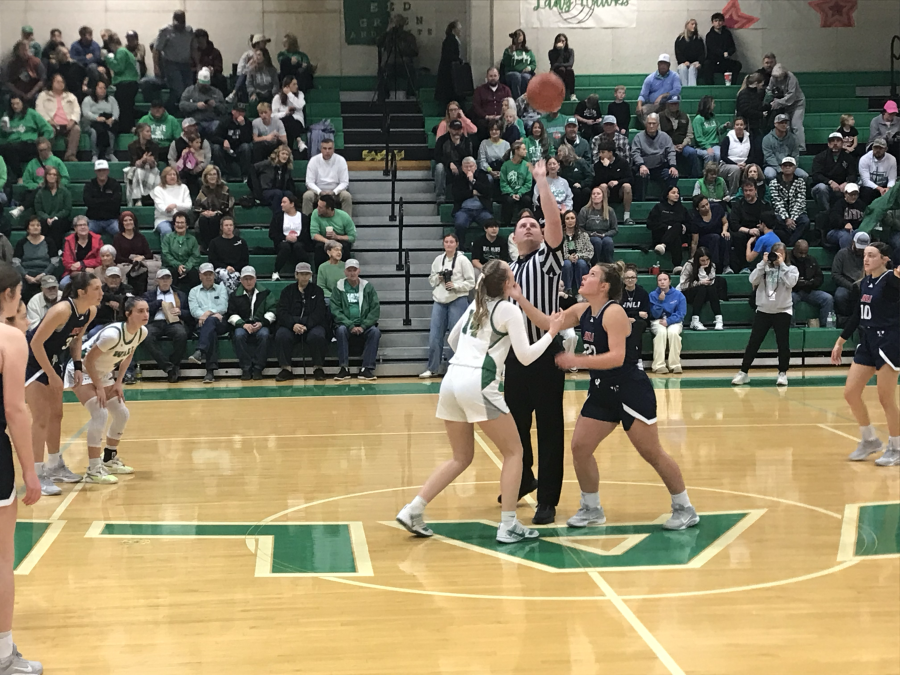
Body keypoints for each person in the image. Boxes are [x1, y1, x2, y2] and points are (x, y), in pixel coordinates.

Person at [513, 262, 700, 530]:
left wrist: (576, 360)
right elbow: (547, 323)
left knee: (652, 452)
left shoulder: (614, 313)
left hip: (629, 389)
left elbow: (617, 357)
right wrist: (521, 300)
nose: (585, 277)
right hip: (602, 390)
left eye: (591, 275)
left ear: (604, 286)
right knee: (580, 447)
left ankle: (684, 508)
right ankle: (591, 508)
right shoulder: (582, 310)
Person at [400, 256, 565, 543]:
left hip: (451, 380)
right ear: (507, 284)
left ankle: (413, 509)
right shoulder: (508, 311)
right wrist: (551, 331)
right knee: (515, 452)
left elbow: (452, 340)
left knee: (460, 457)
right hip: (479, 382)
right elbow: (526, 357)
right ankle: (509, 524)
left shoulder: (475, 305)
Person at [500, 161, 565, 524]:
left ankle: (548, 499)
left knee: (550, 429)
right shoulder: (510, 270)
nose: (529, 226)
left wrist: (542, 182)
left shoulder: (546, 259)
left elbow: (554, 224)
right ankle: (522, 477)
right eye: (522, 224)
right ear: (513, 237)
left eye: (533, 224)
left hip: (545, 356)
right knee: (515, 426)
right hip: (515, 357)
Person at [0, 262, 43, 674]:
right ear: (12, 295)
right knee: (1, 558)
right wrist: (31, 470)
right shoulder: (10, 337)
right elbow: (15, 409)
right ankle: (3, 656)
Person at [26, 270, 101, 495]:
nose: (101, 292)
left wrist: (78, 366)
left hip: (53, 360)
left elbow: (76, 340)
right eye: (96, 288)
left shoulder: (90, 311)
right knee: (41, 418)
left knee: (56, 415)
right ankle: (36, 475)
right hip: (31, 361)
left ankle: (55, 465)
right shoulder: (61, 310)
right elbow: (35, 344)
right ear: (81, 291)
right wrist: (50, 374)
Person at [64, 295, 147, 481]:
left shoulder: (142, 332)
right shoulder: (113, 335)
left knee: (121, 413)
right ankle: (93, 469)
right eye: (140, 311)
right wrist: (99, 387)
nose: (146, 314)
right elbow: (88, 360)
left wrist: (118, 382)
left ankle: (109, 458)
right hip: (81, 370)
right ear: (128, 314)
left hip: (102, 372)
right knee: (100, 413)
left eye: (147, 311)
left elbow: (128, 353)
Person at [831, 243, 900, 465]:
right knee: (850, 393)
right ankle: (870, 440)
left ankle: (896, 447)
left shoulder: (891, 280)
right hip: (868, 340)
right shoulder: (865, 282)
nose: (866, 259)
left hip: (889, 342)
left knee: (885, 398)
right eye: (865, 255)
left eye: (872, 255)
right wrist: (840, 341)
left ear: (884, 259)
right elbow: (857, 316)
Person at [731, 242, 798, 387]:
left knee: (783, 344)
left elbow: (791, 283)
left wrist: (782, 266)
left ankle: (782, 373)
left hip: (782, 310)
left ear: (785, 255)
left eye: (781, 254)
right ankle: (743, 372)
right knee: (753, 342)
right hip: (763, 310)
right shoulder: (764, 267)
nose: (778, 257)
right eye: (776, 253)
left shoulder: (791, 269)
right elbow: (752, 280)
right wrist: (762, 263)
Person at [420, 234, 476, 378]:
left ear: (457, 244)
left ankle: (455, 368)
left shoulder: (463, 260)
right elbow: (431, 280)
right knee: (434, 336)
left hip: (457, 299)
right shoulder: (438, 260)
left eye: (452, 242)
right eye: (446, 242)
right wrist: (438, 277)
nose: (449, 244)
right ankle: (433, 368)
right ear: (443, 244)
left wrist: (456, 285)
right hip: (439, 299)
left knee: (455, 336)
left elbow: (471, 283)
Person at [274, 262, 329, 382]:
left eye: (307, 274)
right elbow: (282, 311)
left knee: (318, 335)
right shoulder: (287, 291)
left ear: (311, 276)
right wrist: (293, 324)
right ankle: (286, 368)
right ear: (296, 275)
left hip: (312, 325)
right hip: (291, 325)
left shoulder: (318, 291)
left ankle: (318, 367)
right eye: (301, 274)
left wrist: (307, 325)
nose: (304, 277)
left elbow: (320, 312)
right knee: (281, 335)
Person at [328, 259, 380, 381]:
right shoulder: (339, 287)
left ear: (359, 271)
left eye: (354, 270)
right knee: (340, 331)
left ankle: (366, 369)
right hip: (345, 324)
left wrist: (364, 325)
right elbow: (335, 309)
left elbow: (375, 309)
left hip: (364, 325)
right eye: (349, 270)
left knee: (375, 332)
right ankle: (344, 368)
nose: (352, 273)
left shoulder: (367, 287)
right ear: (345, 272)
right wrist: (350, 325)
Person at [141, 268, 189, 382]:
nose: (165, 281)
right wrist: (158, 303)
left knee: (181, 334)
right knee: (146, 335)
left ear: (171, 280)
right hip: (155, 322)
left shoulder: (180, 294)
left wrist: (181, 312)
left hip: (173, 322)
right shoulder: (148, 295)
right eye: (162, 279)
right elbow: (144, 310)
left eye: (167, 278)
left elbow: (189, 313)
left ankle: (173, 364)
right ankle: (169, 368)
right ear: (157, 281)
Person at [228, 266, 275, 380]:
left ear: (255, 279)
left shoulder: (266, 293)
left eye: (251, 278)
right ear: (241, 280)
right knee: (239, 335)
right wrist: (243, 324)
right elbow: (231, 314)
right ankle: (246, 368)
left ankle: (258, 368)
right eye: (245, 279)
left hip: (261, 324)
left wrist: (262, 323)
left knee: (264, 335)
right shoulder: (234, 295)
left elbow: (272, 310)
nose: (248, 281)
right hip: (243, 325)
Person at [0, 95, 52, 185]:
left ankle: (19, 176)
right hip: (12, 145)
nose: (15, 106)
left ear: (22, 103)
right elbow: (3, 136)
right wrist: (3, 128)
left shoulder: (31, 113)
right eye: (12, 104)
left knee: (9, 149)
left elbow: (48, 129)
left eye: (17, 103)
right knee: (7, 149)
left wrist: (43, 142)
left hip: (29, 144)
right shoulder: (7, 116)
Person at [153, 10, 195, 111]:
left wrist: (196, 63)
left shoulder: (189, 30)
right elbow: (156, 50)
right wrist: (156, 66)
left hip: (185, 64)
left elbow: (192, 48)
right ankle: (167, 110)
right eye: (178, 21)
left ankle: (178, 110)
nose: (180, 24)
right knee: (178, 89)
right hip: (171, 64)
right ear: (173, 20)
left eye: (182, 21)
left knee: (189, 90)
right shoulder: (165, 31)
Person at [729, 180, 775, 272]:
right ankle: (743, 267)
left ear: (755, 190)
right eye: (746, 191)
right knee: (738, 237)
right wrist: (749, 231)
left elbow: (770, 221)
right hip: (744, 232)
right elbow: (734, 224)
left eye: (750, 190)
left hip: (760, 231)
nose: (748, 193)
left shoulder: (764, 204)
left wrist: (760, 229)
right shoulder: (738, 204)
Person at [631, 113, 678, 201]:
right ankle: (640, 203)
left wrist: (673, 166)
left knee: (672, 175)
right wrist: (641, 165)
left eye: (654, 123)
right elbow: (635, 153)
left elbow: (671, 151)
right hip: (644, 167)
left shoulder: (665, 137)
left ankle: (667, 201)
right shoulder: (638, 137)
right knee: (640, 176)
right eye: (649, 123)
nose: (651, 126)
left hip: (660, 167)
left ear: (658, 125)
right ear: (646, 124)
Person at [35, 73, 81, 162]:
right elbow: (39, 110)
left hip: (67, 123)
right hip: (51, 123)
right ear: (52, 83)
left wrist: (73, 120)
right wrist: (48, 121)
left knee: (76, 129)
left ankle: (70, 155)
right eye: (57, 81)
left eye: (62, 82)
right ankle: (47, 155)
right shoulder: (43, 95)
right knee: (49, 130)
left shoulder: (71, 96)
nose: (60, 84)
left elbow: (77, 110)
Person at [677, 246, 724, 331]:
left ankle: (719, 319)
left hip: (704, 292)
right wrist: (699, 282)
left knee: (711, 288)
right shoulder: (689, 265)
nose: (705, 262)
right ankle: (694, 320)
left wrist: (703, 271)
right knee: (702, 288)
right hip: (687, 292)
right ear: (697, 259)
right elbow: (683, 285)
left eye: (707, 260)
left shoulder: (712, 265)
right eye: (702, 260)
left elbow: (711, 282)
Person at [302, 138, 351, 216]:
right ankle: (306, 224)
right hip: (317, 192)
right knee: (307, 196)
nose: (327, 151)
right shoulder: (314, 160)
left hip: (336, 192)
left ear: (333, 149)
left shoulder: (341, 160)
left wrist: (334, 192)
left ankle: (347, 224)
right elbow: (309, 182)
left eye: (330, 148)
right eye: (325, 148)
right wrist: (320, 192)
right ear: (321, 149)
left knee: (347, 196)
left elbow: (344, 182)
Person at [450, 157, 493, 247]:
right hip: (464, 209)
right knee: (460, 223)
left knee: (491, 224)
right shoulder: (458, 178)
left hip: (482, 209)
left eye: (471, 166)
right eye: (466, 167)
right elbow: (457, 195)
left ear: (475, 166)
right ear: (462, 167)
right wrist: (472, 193)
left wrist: (473, 181)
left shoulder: (482, 176)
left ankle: (487, 247)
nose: (469, 169)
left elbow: (488, 192)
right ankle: (461, 247)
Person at [648, 272, 686, 374]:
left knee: (673, 333)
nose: (662, 282)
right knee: (661, 333)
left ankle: (675, 365)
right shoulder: (652, 295)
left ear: (670, 281)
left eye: (665, 280)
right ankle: (658, 365)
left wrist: (668, 321)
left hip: (674, 321)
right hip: (658, 321)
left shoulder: (679, 295)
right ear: (657, 282)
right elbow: (654, 314)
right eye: (660, 280)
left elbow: (681, 313)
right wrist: (660, 302)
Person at [790, 240, 833, 327]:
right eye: (800, 253)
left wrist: (809, 283)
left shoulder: (811, 260)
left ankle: (826, 326)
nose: (803, 255)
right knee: (788, 299)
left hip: (809, 290)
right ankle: (790, 327)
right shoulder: (788, 259)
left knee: (828, 299)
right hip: (793, 291)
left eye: (805, 253)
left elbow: (819, 278)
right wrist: (798, 283)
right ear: (794, 250)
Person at [103, 32, 139, 133]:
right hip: (132, 82)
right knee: (128, 107)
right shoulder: (127, 51)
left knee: (124, 108)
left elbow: (118, 67)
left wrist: (108, 58)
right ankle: (130, 127)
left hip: (125, 83)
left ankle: (126, 128)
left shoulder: (121, 52)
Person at [310, 193, 356, 272]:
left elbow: (352, 237)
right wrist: (328, 241)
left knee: (344, 246)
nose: (317, 209)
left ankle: (344, 272)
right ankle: (319, 273)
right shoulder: (315, 213)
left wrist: (337, 237)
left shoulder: (344, 216)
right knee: (319, 247)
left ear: (329, 209)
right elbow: (314, 234)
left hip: (339, 240)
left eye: (320, 207)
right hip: (324, 240)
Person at [647, 186, 690, 269]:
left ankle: (664, 245)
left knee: (677, 228)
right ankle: (677, 265)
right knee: (675, 233)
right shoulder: (658, 207)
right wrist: (667, 227)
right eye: (673, 193)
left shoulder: (682, 209)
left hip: (678, 235)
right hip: (661, 235)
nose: (676, 195)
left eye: (678, 193)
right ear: (667, 195)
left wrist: (684, 227)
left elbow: (690, 224)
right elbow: (650, 224)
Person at [14, 219, 57, 302]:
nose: (36, 227)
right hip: (26, 274)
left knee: (50, 288)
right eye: (32, 225)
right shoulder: (21, 243)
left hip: (45, 273)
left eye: (38, 225)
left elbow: (55, 262)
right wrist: (26, 276)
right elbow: (15, 262)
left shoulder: (49, 242)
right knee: (19, 288)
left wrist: (43, 274)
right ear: (27, 228)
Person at [179, 67, 228, 140]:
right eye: (202, 85)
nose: (204, 87)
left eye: (206, 85)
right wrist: (196, 105)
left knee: (218, 126)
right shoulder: (190, 91)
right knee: (191, 128)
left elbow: (224, 109)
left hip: (212, 121)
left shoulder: (217, 92)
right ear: (197, 81)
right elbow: (182, 105)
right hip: (196, 121)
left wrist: (215, 105)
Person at [769, 156, 809, 246]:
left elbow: (800, 201)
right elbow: (776, 202)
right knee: (776, 221)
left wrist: (792, 218)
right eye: (785, 165)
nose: (787, 167)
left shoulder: (800, 181)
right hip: (781, 214)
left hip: (797, 214)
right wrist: (787, 218)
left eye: (790, 165)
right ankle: (791, 243)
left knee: (805, 221)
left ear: (794, 168)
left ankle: (790, 244)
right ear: (781, 167)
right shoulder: (774, 182)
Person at [193, 165, 234, 251]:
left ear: (218, 176)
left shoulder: (224, 188)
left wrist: (215, 212)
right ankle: (207, 246)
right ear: (206, 177)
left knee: (214, 219)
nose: (212, 176)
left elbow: (227, 206)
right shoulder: (203, 190)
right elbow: (197, 206)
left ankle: (214, 246)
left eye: (214, 174)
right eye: (210, 174)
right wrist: (203, 212)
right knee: (203, 220)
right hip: (206, 215)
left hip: (222, 214)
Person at [766, 64, 806, 153]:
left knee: (796, 125)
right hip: (784, 104)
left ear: (784, 74)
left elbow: (791, 96)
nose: (778, 79)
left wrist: (777, 102)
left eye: (779, 77)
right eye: (776, 77)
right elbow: (769, 89)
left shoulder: (792, 78)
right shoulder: (774, 77)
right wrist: (769, 100)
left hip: (797, 103)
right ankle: (788, 147)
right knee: (785, 126)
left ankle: (801, 148)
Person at [592, 141, 634, 224]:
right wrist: (606, 168)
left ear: (610, 153)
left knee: (627, 186)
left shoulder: (622, 163)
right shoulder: (598, 165)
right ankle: (605, 215)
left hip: (619, 191)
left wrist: (617, 182)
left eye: (603, 152)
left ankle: (626, 216)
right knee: (603, 186)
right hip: (606, 192)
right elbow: (597, 182)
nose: (600, 155)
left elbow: (630, 178)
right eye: (600, 152)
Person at [112, 211, 153, 295]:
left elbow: (149, 254)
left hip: (140, 266)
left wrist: (142, 257)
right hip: (125, 266)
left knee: (143, 274)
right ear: (122, 223)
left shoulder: (140, 237)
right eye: (125, 220)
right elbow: (117, 257)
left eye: (130, 220)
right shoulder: (117, 238)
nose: (128, 222)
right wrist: (131, 261)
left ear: (134, 222)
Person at [660, 96, 701, 179]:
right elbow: (659, 135)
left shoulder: (685, 116)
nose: (674, 106)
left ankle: (695, 178)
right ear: (667, 104)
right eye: (672, 104)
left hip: (682, 146)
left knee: (692, 152)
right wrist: (671, 146)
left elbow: (690, 135)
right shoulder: (660, 116)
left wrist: (683, 145)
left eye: (676, 104)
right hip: (666, 146)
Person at [434, 120, 474, 204]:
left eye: (459, 129)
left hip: (462, 166)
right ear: (449, 129)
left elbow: (469, 157)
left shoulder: (466, 141)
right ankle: (440, 196)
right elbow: (437, 156)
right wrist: (449, 163)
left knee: (470, 166)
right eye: (454, 129)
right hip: (447, 167)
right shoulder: (442, 140)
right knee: (439, 167)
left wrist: (458, 145)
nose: (457, 131)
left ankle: (471, 195)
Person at [270, 194, 309, 280]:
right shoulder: (278, 217)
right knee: (285, 247)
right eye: (281, 202)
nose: (281, 204)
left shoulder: (303, 218)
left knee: (298, 246)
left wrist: (297, 239)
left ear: (292, 204)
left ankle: (305, 272)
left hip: (299, 242)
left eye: (284, 202)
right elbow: (272, 233)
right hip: (283, 242)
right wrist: (285, 237)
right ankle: (276, 271)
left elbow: (307, 234)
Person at [689, 194, 730, 274]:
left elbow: (725, 222)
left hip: (719, 234)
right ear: (697, 208)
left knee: (726, 237)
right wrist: (692, 259)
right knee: (714, 238)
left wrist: (724, 231)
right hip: (704, 239)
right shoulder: (695, 219)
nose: (707, 207)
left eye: (707, 204)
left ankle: (726, 266)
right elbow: (695, 241)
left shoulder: (717, 208)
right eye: (703, 206)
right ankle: (713, 266)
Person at [161, 211, 201, 292]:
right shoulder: (167, 238)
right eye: (177, 222)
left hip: (188, 268)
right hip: (171, 266)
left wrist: (186, 267)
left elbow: (195, 256)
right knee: (170, 274)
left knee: (194, 275)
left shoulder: (192, 239)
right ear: (174, 224)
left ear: (187, 225)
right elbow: (165, 254)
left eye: (182, 222)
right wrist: (177, 265)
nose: (179, 225)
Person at [255, 144, 296, 225]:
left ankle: (290, 219)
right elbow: (253, 169)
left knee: (288, 194)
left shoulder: (286, 168)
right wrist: (256, 189)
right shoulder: (267, 164)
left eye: (287, 154)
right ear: (278, 154)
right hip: (266, 190)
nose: (285, 156)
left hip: (280, 190)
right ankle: (278, 219)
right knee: (278, 193)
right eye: (283, 153)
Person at [213, 102, 254, 181]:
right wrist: (223, 141)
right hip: (226, 149)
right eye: (238, 111)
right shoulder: (225, 121)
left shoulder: (247, 123)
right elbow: (214, 137)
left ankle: (245, 175)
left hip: (239, 148)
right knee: (216, 148)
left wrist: (243, 126)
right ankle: (223, 174)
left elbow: (248, 139)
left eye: (242, 112)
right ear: (233, 112)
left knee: (246, 147)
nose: (240, 114)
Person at [832, 231, 868, 321]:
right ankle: (846, 318)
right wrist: (851, 286)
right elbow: (836, 274)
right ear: (853, 243)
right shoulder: (842, 254)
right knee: (840, 295)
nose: (861, 251)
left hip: (865, 282)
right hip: (847, 283)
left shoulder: (869, 256)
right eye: (859, 248)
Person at [207, 215, 249, 293]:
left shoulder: (241, 242)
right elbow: (212, 260)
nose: (229, 227)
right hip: (220, 270)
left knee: (236, 275)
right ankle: (232, 298)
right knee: (225, 275)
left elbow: (245, 260)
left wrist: (234, 268)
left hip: (237, 270)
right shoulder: (214, 242)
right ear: (221, 227)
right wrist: (226, 267)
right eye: (226, 225)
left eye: (231, 225)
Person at [33, 166, 72, 250]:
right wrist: (47, 218)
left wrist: (55, 217)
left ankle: (57, 250)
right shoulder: (40, 192)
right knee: (43, 224)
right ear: (46, 176)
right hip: (45, 219)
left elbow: (67, 209)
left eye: (54, 174)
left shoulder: (64, 192)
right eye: (50, 174)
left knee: (56, 224)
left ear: (57, 177)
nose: (52, 176)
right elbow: (38, 210)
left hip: (61, 219)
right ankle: (44, 249)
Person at [577, 186, 618, 264]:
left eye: (598, 194)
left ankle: (609, 265)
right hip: (590, 236)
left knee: (608, 242)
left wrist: (604, 234)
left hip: (605, 235)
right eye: (593, 194)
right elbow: (580, 228)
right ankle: (594, 264)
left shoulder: (610, 210)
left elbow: (614, 229)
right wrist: (590, 234)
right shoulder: (584, 210)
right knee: (597, 241)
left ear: (603, 196)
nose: (595, 195)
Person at [125, 122, 161, 207]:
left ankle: (156, 198)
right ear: (141, 132)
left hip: (150, 168)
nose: (149, 134)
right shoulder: (132, 146)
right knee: (139, 172)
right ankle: (138, 199)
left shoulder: (154, 145)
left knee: (156, 171)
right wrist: (143, 160)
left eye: (150, 132)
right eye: (147, 131)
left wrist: (151, 161)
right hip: (136, 168)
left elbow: (155, 163)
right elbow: (134, 163)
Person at [620, 264, 650, 364]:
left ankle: (636, 360)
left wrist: (633, 315)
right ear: (623, 280)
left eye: (632, 277)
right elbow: (617, 311)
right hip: (623, 320)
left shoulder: (642, 293)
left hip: (639, 322)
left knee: (637, 326)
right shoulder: (619, 293)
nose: (630, 280)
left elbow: (645, 313)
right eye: (627, 278)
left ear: (636, 279)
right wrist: (633, 315)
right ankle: (631, 359)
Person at [83, 158, 122, 237]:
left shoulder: (115, 184)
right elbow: (88, 202)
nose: (102, 173)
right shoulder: (89, 185)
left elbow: (116, 204)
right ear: (95, 172)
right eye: (99, 170)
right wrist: (107, 201)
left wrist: (97, 201)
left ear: (108, 171)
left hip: (112, 220)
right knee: (83, 233)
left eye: (104, 170)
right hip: (94, 220)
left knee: (121, 233)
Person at [636, 54, 681, 121]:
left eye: (665, 64)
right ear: (658, 64)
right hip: (653, 105)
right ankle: (651, 128)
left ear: (669, 65)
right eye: (661, 63)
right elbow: (643, 95)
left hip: (668, 104)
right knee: (642, 110)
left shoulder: (674, 76)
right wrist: (639, 105)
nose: (663, 66)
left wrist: (662, 95)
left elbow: (677, 90)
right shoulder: (650, 78)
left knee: (673, 106)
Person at [719, 116, 757, 194]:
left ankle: (753, 193)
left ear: (745, 126)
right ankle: (733, 194)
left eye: (741, 124)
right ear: (734, 126)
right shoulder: (728, 138)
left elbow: (752, 155)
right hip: (727, 164)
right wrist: (736, 164)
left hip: (745, 163)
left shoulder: (749, 137)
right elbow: (723, 156)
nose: (739, 126)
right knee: (736, 169)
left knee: (753, 169)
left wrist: (745, 164)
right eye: (737, 124)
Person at [701, 12, 741, 85]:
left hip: (724, 61)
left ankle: (732, 84)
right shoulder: (709, 35)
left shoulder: (727, 34)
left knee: (737, 65)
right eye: (716, 21)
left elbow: (732, 47)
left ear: (723, 22)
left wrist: (728, 53)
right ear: (712, 23)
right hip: (713, 61)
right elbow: (712, 48)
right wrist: (723, 53)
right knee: (706, 65)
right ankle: (710, 87)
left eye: (720, 21)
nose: (718, 23)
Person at [151, 166, 192, 238]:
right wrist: (171, 210)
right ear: (164, 177)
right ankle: (166, 249)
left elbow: (188, 205)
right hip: (163, 219)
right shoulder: (158, 189)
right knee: (166, 230)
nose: (172, 176)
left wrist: (175, 206)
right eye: (169, 175)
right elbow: (161, 208)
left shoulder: (183, 187)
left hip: (181, 219)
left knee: (182, 229)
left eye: (174, 174)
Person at [61, 216, 102, 286]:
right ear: (75, 228)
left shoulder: (97, 240)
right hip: (75, 273)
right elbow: (67, 262)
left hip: (93, 271)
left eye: (85, 225)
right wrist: (83, 269)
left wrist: (82, 263)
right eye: (80, 225)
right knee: (63, 284)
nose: (83, 227)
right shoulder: (69, 241)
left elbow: (100, 259)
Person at [762, 114, 805, 180]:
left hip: (789, 165)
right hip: (772, 166)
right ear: (775, 124)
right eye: (781, 123)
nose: (784, 125)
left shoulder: (793, 138)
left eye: (785, 123)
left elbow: (795, 155)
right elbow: (769, 156)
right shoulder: (767, 139)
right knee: (770, 174)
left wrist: (792, 168)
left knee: (804, 175)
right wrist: (779, 169)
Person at [499, 140, 532, 225]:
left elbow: (528, 183)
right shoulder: (506, 165)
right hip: (509, 192)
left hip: (522, 192)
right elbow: (503, 182)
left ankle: (525, 222)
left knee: (526, 200)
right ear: (516, 151)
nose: (526, 151)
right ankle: (506, 223)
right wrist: (511, 193)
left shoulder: (527, 165)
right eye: (524, 149)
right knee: (508, 200)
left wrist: (519, 193)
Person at [4, 41, 46, 107]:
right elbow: (8, 82)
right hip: (18, 92)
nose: (25, 52)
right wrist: (19, 93)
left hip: (33, 92)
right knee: (8, 99)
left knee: (37, 98)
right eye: (22, 50)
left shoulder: (36, 62)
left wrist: (31, 93)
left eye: (26, 50)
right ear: (18, 51)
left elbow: (42, 79)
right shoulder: (12, 64)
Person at [272, 76, 307, 155]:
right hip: (282, 122)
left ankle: (287, 153)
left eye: (296, 84)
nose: (296, 86)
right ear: (287, 86)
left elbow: (300, 105)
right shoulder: (278, 97)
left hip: (298, 122)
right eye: (294, 84)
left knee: (289, 122)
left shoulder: (300, 94)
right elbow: (273, 115)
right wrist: (285, 113)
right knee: (287, 119)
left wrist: (289, 94)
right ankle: (299, 141)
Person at [560, 210, 592, 296]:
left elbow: (590, 252)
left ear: (576, 220)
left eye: (572, 218)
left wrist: (578, 256)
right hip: (565, 261)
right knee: (566, 264)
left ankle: (581, 291)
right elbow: (556, 252)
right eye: (567, 218)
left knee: (581, 263)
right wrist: (568, 257)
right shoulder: (559, 235)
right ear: (564, 221)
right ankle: (567, 291)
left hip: (581, 261)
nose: (570, 221)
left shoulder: (583, 235)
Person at [471, 68, 512, 135]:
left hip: (503, 119)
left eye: (495, 76)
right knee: (480, 124)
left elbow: (510, 104)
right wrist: (486, 116)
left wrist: (502, 116)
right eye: (491, 76)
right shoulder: (479, 90)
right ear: (487, 77)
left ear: (498, 76)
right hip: (485, 120)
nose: (493, 78)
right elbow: (476, 106)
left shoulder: (506, 90)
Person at [827, 183, 867, 250]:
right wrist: (844, 224)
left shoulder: (861, 204)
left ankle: (862, 256)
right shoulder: (838, 204)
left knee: (863, 234)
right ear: (845, 194)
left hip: (854, 230)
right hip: (836, 231)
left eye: (855, 194)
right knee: (846, 236)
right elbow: (834, 219)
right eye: (851, 194)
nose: (853, 197)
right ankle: (846, 257)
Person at [858, 138, 897, 204]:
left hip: (885, 187)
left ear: (886, 149)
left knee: (893, 191)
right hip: (869, 187)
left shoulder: (892, 159)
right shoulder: (864, 159)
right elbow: (865, 181)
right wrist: (879, 189)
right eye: (876, 148)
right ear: (872, 148)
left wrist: (888, 188)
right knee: (866, 191)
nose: (878, 150)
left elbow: (892, 179)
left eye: (881, 148)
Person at [691, 95, 728, 165]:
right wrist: (707, 147)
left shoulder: (713, 117)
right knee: (710, 154)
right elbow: (699, 137)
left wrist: (724, 127)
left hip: (715, 144)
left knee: (718, 155)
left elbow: (718, 131)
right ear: (708, 105)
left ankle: (716, 173)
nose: (714, 105)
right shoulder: (698, 119)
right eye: (713, 103)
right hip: (701, 147)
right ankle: (707, 174)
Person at [556, 143, 593, 213]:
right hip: (569, 188)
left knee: (586, 191)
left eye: (560, 151)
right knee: (575, 192)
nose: (558, 154)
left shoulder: (580, 162)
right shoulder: (560, 166)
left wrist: (581, 184)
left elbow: (590, 177)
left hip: (583, 185)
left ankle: (586, 213)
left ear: (567, 151)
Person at [173, 131, 209, 197]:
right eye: (196, 142)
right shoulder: (186, 151)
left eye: (200, 142)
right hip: (186, 172)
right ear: (190, 143)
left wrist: (194, 155)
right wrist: (184, 155)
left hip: (197, 173)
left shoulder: (201, 152)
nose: (199, 144)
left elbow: (200, 163)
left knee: (195, 180)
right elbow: (180, 163)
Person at [501, 29, 535, 99]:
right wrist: (510, 53)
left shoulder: (528, 52)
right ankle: (517, 100)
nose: (519, 37)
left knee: (526, 77)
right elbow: (505, 63)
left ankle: (524, 99)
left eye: (521, 35)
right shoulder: (508, 50)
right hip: (511, 73)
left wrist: (529, 68)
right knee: (516, 76)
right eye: (517, 35)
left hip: (524, 73)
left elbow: (533, 63)